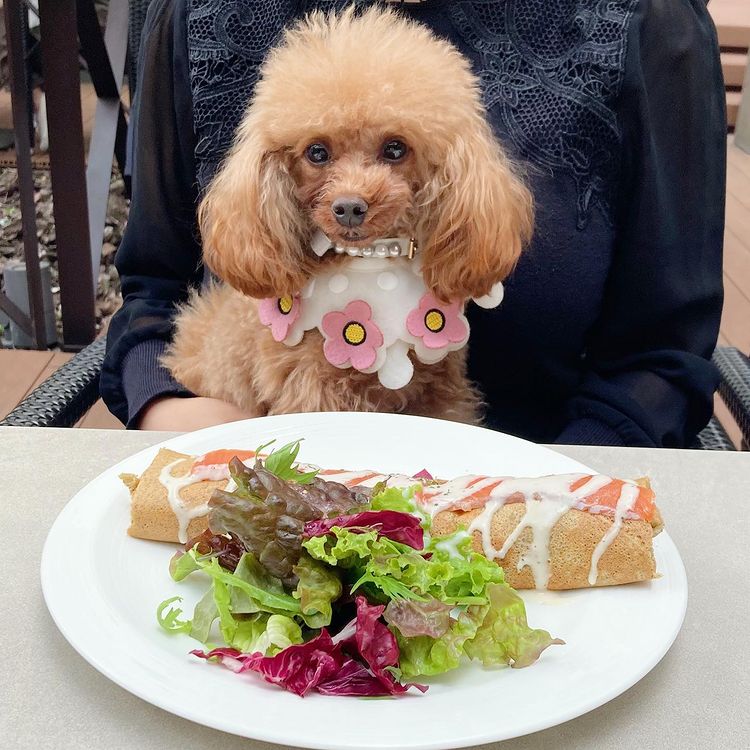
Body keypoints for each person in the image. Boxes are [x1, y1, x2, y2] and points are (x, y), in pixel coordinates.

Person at [101, 0, 725, 446]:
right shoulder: (193, 14)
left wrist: (542, 493)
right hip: (260, 476)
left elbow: (662, 354)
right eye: (318, 154)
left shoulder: (649, 21)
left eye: (394, 152)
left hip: (533, 481)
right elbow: (153, 291)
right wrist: (169, 409)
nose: (350, 194)